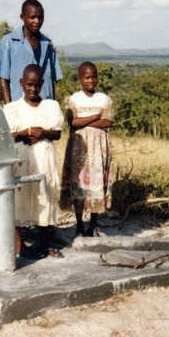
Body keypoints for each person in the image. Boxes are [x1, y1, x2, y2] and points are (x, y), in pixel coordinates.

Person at [3, 64, 64, 258]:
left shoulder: (50, 106)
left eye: (37, 85)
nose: (33, 89)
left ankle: (44, 244)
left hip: (44, 156)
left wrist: (42, 132)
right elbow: (8, 136)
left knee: (44, 196)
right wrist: (26, 132)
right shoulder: (12, 108)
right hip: (21, 158)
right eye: (29, 84)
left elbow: (57, 133)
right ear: (21, 83)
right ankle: (19, 245)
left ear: (42, 85)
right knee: (19, 197)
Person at [59, 61, 114, 237]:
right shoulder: (73, 99)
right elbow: (72, 122)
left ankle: (93, 224)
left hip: (99, 148)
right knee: (79, 183)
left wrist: (85, 120)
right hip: (79, 147)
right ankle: (79, 224)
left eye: (94, 76)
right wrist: (95, 116)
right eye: (87, 77)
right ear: (80, 78)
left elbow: (108, 122)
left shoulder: (104, 99)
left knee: (96, 184)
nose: (91, 80)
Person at [0, 0, 62, 104]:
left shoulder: (48, 45)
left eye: (40, 17)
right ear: (22, 17)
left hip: (45, 107)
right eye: (32, 17)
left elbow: (51, 81)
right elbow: (4, 79)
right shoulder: (9, 42)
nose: (37, 21)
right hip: (20, 108)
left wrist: (52, 106)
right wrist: (10, 109)